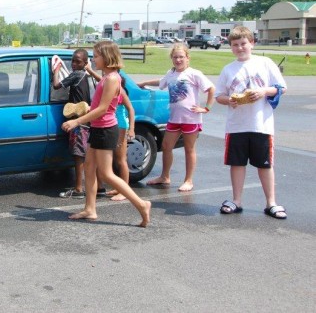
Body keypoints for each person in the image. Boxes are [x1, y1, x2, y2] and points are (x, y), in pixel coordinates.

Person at [62, 41, 151, 227]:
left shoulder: (112, 79)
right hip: (98, 128)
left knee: (107, 173)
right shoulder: (107, 77)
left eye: (95, 56)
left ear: (107, 57)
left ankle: (142, 204)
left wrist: (77, 121)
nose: (93, 60)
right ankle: (90, 208)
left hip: (105, 129)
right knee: (89, 167)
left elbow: (103, 109)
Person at [215, 26, 287, 219]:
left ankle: (271, 202)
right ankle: (236, 200)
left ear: (252, 43)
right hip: (236, 125)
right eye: (235, 45)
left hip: (260, 124)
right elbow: (219, 95)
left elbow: (281, 88)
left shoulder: (265, 63)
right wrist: (229, 100)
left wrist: (263, 91)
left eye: (243, 43)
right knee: (237, 163)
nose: (240, 48)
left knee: (264, 164)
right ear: (231, 47)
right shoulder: (228, 69)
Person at [137, 44, 215, 192]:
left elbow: (211, 89)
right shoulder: (171, 73)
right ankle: (165, 177)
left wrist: (206, 108)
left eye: (181, 57)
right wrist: (144, 83)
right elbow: (161, 82)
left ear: (187, 58)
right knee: (166, 146)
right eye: (175, 57)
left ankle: (188, 180)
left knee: (189, 149)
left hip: (190, 119)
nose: (178, 60)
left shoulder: (194, 73)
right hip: (174, 118)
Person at [52, 49, 98, 198]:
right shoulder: (88, 75)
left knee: (78, 155)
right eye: (72, 60)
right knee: (84, 154)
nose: (73, 64)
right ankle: (96, 186)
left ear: (85, 63)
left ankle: (79, 189)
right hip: (87, 118)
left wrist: (56, 70)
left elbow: (57, 86)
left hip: (78, 121)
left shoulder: (76, 74)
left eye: (78, 61)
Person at [106, 77, 136, 201]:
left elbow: (131, 109)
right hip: (113, 125)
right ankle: (119, 188)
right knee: (114, 160)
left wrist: (132, 129)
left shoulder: (120, 91)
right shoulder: (110, 89)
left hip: (121, 126)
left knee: (121, 160)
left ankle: (125, 191)